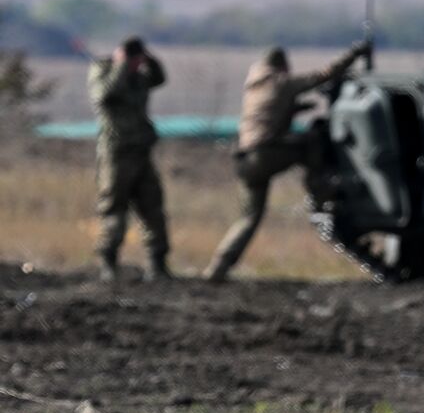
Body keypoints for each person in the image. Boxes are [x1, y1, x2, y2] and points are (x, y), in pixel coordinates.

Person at [205, 41, 370, 282]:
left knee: (249, 218)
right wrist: (354, 53)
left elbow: (268, 113)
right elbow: (323, 76)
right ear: (282, 65)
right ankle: (322, 188)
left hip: (245, 159)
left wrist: (296, 109)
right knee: (313, 141)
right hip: (265, 154)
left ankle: (218, 267)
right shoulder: (281, 82)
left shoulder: (254, 87)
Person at [88, 36, 170, 281]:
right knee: (113, 206)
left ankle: (157, 264)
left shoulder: (138, 79)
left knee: (152, 208)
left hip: (140, 151)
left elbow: (159, 79)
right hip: (116, 152)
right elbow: (104, 95)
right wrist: (121, 64)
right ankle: (108, 262)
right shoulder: (103, 72)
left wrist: (149, 59)